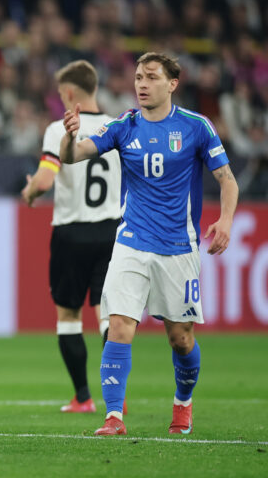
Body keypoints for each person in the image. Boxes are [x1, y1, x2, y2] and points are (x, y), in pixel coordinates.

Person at [60, 52, 238, 436]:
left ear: (172, 83)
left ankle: (183, 403)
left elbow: (227, 180)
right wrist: (69, 135)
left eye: (151, 77)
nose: (141, 83)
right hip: (131, 241)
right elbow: (75, 156)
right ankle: (113, 417)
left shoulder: (196, 127)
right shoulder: (125, 125)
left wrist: (225, 220)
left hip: (178, 247)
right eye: (138, 76)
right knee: (120, 325)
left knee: (181, 338)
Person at [20, 60, 122, 414]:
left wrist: (31, 192)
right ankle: (115, 400)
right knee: (108, 316)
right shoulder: (119, 126)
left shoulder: (58, 129)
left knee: (69, 316)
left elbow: (46, 179)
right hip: (112, 232)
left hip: (72, 232)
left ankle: (83, 396)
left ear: (68, 93)